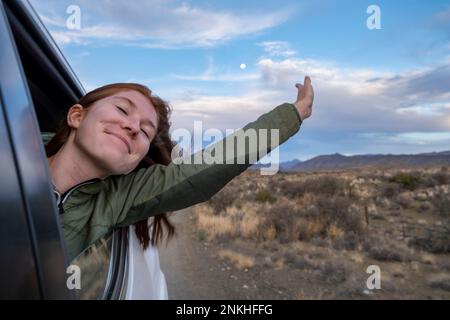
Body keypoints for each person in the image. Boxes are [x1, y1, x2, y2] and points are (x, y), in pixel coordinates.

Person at [44, 76, 314, 267]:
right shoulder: (10, 144)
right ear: (77, 116)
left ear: (135, 160)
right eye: (122, 109)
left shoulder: (118, 199)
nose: (133, 127)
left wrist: (292, 116)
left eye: (146, 131)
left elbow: (203, 168)